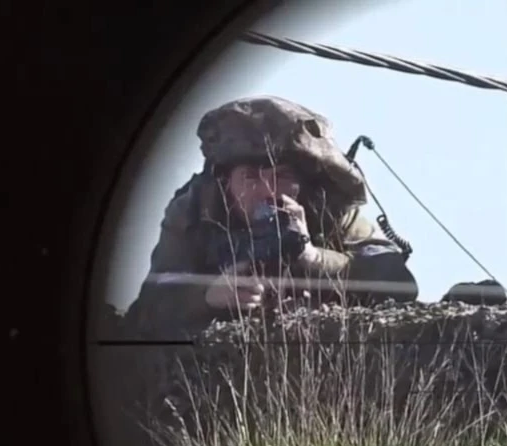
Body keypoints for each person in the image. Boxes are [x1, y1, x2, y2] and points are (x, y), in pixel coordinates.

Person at [123, 95, 418, 340]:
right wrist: (209, 296)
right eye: (250, 177)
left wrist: (313, 257)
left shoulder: (328, 209)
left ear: (303, 182)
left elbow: (399, 284)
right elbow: (149, 310)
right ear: (225, 183)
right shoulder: (195, 213)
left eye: (282, 176)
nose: (268, 190)